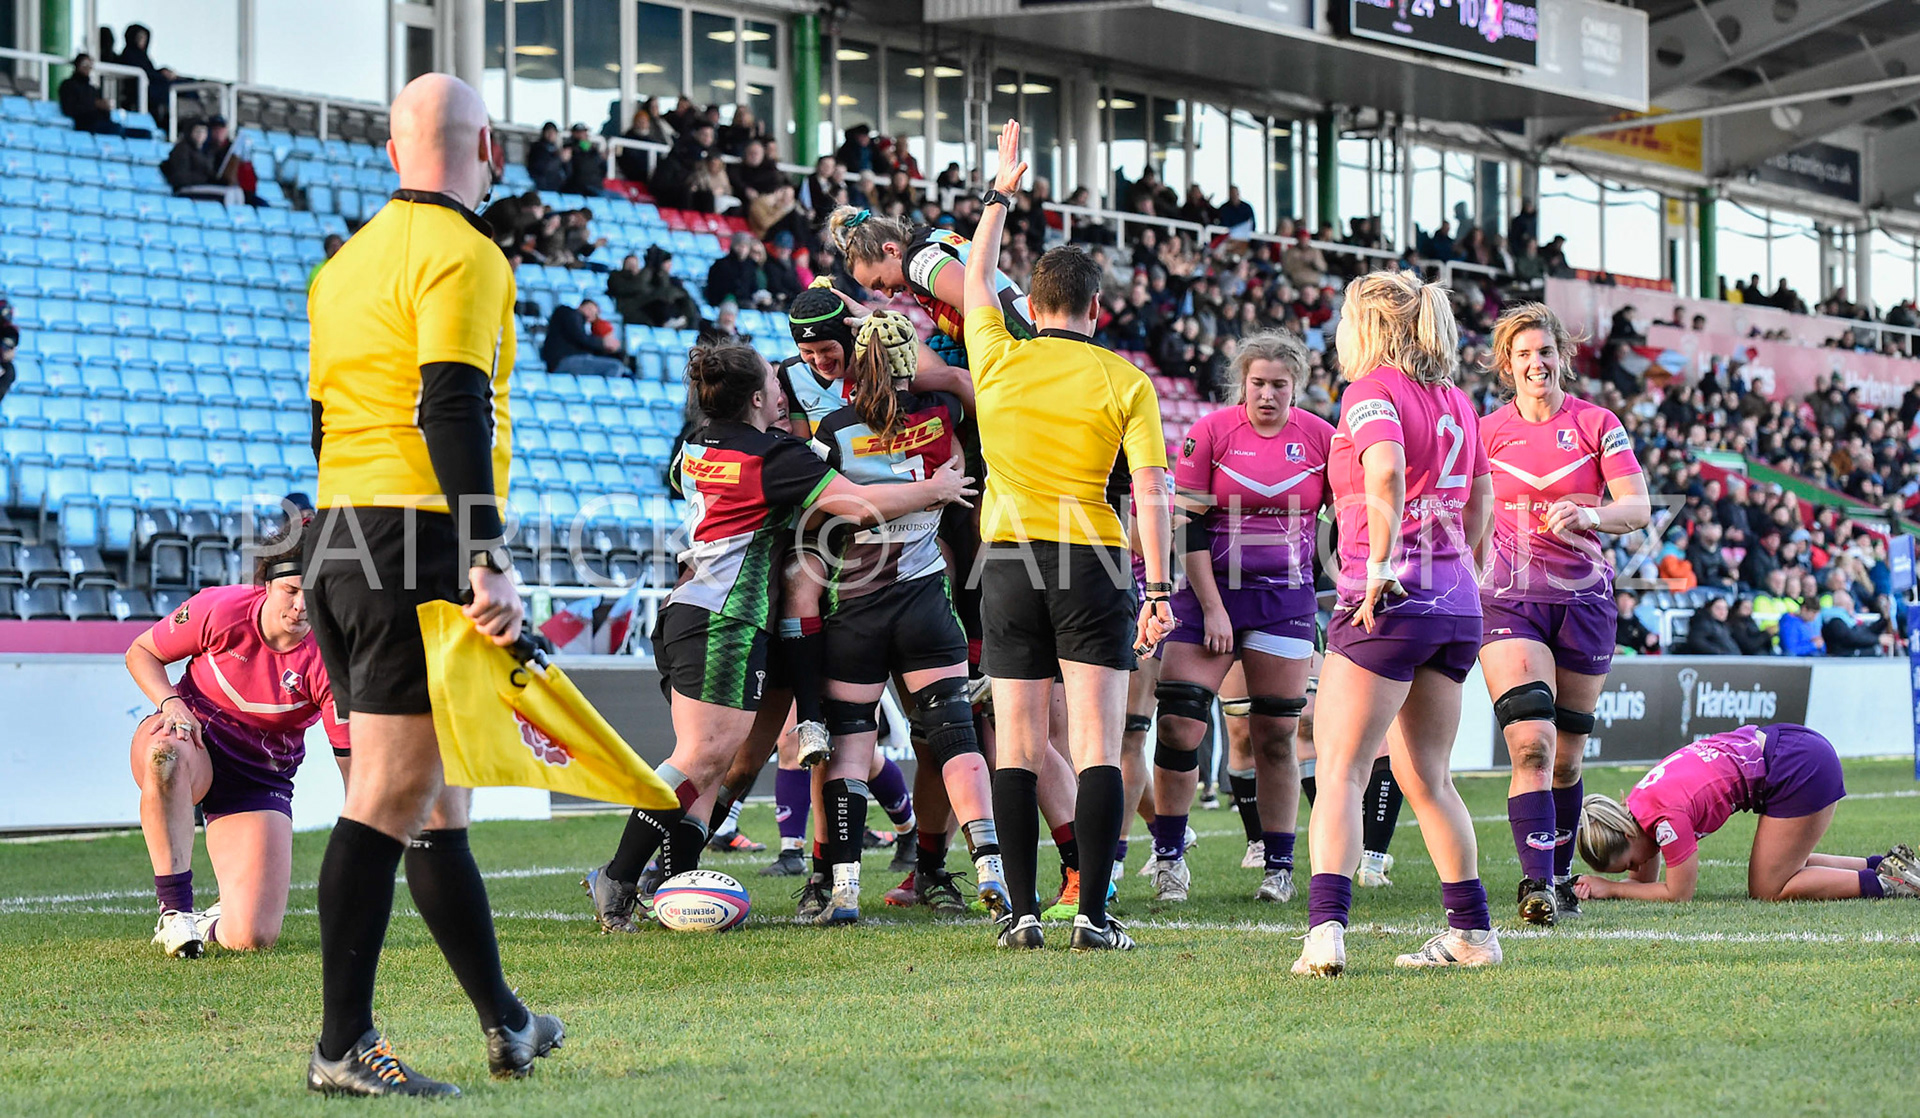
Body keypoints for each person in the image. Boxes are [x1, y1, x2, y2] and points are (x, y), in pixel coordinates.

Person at [302, 73, 562, 1096]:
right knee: (387, 796)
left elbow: (326, 424)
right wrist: (485, 553)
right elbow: (451, 401)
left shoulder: (341, 267)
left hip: (337, 532)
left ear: (388, 149)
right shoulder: (468, 252)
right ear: (488, 146)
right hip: (412, 539)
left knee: (438, 803)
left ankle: (508, 1021)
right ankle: (340, 1047)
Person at [581, 342, 973, 932]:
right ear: (758, 398)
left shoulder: (695, 443)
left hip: (700, 606)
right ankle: (619, 872)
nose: (784, 386)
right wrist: (934, 491)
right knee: (704, 757)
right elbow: (859, 505)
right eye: (773, 380)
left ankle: (673, 882)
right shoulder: (774, 459)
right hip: (723, 617)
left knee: (717, 768)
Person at [963, 119, 1174, 952]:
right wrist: (1157, 590)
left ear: (1033, 305)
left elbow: (976, 277)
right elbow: (1152, 492)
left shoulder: (996, 357)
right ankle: (1093, 913)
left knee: (1015, 745)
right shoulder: (1126, 380)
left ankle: (1020, 915)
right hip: (1090, 562)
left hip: (1006, 561)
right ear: (1096, 307)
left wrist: (998, 195)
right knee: (1093, 746)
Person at [1293, 269, 1498, 978]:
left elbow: (1383, 472)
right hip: (1454, 602)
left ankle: (1325, 933)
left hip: (1389, 596)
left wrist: (1379, 566)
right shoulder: (1457, 401)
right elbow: (1482, 499)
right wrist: (1461, 570)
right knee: (1428, 778)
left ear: (1368, 326)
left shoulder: (1371, 391)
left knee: (1342, 770)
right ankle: (1472, 934)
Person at [804, 311, 1011, 928]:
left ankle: (841, 890)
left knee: (850, 747)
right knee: (955, 737)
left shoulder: (832, 430)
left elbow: (814, 517)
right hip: (925, 598)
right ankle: (990, 869)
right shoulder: (941, 418)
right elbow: (968, 393)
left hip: (856, 603)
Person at [1474, 303, 1650, 925]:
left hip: (1584, 602)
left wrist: (1591, 515)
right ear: (1507, 364)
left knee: (1568, 758)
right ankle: (1536, 883)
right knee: (1533, 745)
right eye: (1522, 354)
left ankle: (1559, 873)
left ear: (1561, 357)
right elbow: (1466, 511)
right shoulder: (1485, 430)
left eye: (1544, 351)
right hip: (1508, 602)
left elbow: (1638, 507)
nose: (1535, 363)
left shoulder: (1599, 422)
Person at [1146, 331, 1331, 906]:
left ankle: (1278, 867)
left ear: (1296, 386)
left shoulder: (1323, 438)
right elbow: (1188, 526)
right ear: (1241, 383)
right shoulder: (1211, 433)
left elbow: (1347, 517)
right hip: (1209, 597)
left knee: (1278, 734)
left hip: (1286, 600)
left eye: (1280, 385)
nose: (1268, 395)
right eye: (1258, 384)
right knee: (1180, 722)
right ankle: (1170, 857)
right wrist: (1211, 607)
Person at [125, 523, 350, 959]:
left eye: (316, 594)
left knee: (252, 936)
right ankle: (175, 914)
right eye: (291, 590)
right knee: (164, 755)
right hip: (194, 740)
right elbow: (141, 652)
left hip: (259, 776)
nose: (302, 606)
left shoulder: (332, 657)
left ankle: (209, 921)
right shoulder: (219, 608)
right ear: (267, 584)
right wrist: (171, 702)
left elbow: (351, 765)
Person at [1577, 725, 1920, 903]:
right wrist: (1613, 882)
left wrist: (1611, 887)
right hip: (1787, 745)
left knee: (1769, 887)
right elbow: (1644, 880)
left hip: (1796, 767)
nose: (1636, 871)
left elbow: (1677, 894)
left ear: (1625, 834)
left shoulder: (1667, 819)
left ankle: (1887, 883)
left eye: (1629, 864)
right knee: (1785, 865)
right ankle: (1883, 863)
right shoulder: (1638, 805)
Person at [827, 204, 1035, 367]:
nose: (888, 294)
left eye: (880, 283)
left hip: (1022, 353)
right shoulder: (926, 238)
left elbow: (978, 303)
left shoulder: (918, 263)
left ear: (891, 250)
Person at [607, 246, 699, 327]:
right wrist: (649, 266)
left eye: (635, 264)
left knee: (675, 296)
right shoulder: (616, 276)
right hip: (633, 310)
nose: (632, 267)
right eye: (629, 264)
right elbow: (639, 286)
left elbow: (663, 287)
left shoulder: (644, 275)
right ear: (623, 265)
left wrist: (659, 269)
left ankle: (687, 321)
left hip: (647, 308)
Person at [540, 298, 627, 377]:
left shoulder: (580, 324)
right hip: (563, 361)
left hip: (569, 360)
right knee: (615, 367)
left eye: (595, 314)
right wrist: (603, 343)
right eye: (589, 309)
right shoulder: (568, 312)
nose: (591, 313)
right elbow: (580, 337)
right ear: (581, 306)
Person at [164, 121, 243, 206]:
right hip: (185, 189)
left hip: (202, 186)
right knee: (228, 194)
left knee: (237, 192)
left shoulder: (206, 151)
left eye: (204, 131)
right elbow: (180, 177)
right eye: (197, 131)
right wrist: (204, 179)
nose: (201, 134)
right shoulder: (181, 149)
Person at [59, 52, 137, 135]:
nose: (87, 67)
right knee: (117, 130)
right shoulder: (68, 85)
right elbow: (69, 109)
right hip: (85, 124)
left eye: (90, 64)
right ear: (77, 65)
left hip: (102, 123)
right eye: (85, 64)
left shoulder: (93, 89)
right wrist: (94, 105)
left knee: (145, 134)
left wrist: (106, 108)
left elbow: (106, 114)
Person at [705, 232, 770, 309]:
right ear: (733, 246)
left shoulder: (751, 265)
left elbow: (753, 287)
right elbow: (714, 288)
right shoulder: (721, 264)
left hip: (746, 300)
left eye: (745, 246)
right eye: (739, 245)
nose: (742, 249)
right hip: (724, 301)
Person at [562, 123, 608, 197]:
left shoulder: (594, 151)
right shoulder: (569, 149)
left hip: (597, 187)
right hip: (581, 189)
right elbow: (568, 173)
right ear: (573, 134)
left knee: (619, 199)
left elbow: (603, 170)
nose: (581, 135)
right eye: (578, 132)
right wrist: (565, 162)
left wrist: (604, 160)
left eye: (583, 132)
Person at [526, 122, 566, 191]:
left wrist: (566, 161)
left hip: (555, 186)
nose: (551, 134)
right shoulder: (537, 148)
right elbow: (542, 167)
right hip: (541, 185)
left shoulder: (556, 149)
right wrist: (559, 157)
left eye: (553, 132)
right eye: (548, 131)